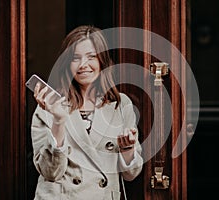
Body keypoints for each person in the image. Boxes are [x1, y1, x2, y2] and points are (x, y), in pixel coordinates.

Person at [30, 25, 143, 200]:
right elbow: (51, 172)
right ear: (67, 63)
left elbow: (131, 174)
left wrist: (127, 149)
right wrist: (58, 120)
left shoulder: (120, 105)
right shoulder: (49, 107)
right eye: (76, 58)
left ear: (102, 60)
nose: (83, 65)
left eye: (91, 57)